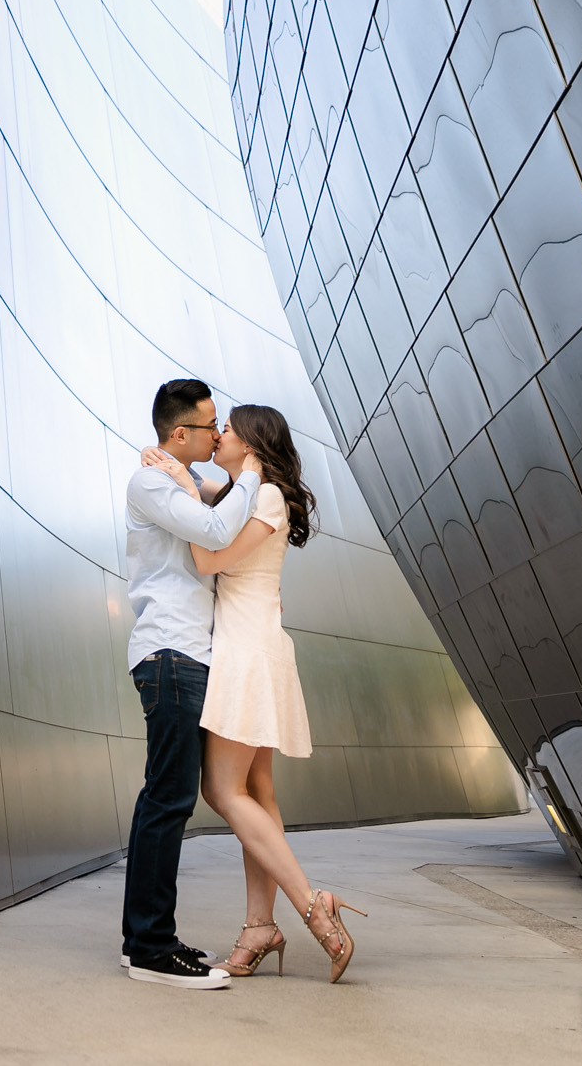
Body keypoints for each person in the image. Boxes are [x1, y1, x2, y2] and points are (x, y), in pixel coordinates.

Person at [141, 403, 366, 983]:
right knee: (258, 793)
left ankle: (314, 908)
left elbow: (208, 556)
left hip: (247, 653)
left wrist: (182, 494)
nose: (219, 437)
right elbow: (217, 487)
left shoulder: (263, 496)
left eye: (229, 431)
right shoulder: (253, 489)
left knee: (220, 789)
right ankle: (258, 927)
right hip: (251, 647)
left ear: (253, 444)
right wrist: (178, 472)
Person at [119, 379, 262, 989]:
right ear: (180, 433)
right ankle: (149, 948)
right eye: (210, 426)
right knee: (168, 798)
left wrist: (237, 477)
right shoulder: (152, 480)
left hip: (189, 657)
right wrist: (254, 474)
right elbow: (213, 532)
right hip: (171, 653)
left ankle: (150, 938)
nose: (217, 433)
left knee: (171, 796)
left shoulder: (178, 476)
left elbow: (216, 499)